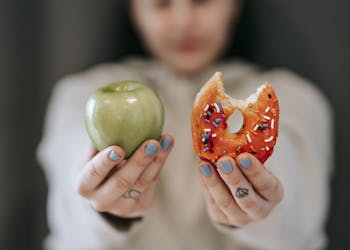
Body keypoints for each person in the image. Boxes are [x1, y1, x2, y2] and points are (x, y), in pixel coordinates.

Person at [37, 0, 333, 249]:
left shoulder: (295, 98)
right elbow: (69, 205)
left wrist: (263, 208)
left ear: (235, 5)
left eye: (201, 0)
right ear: (133, 9)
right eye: (161, 3)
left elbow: (297, 207)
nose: (182, 21)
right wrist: (104, 209)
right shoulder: (78, 95)